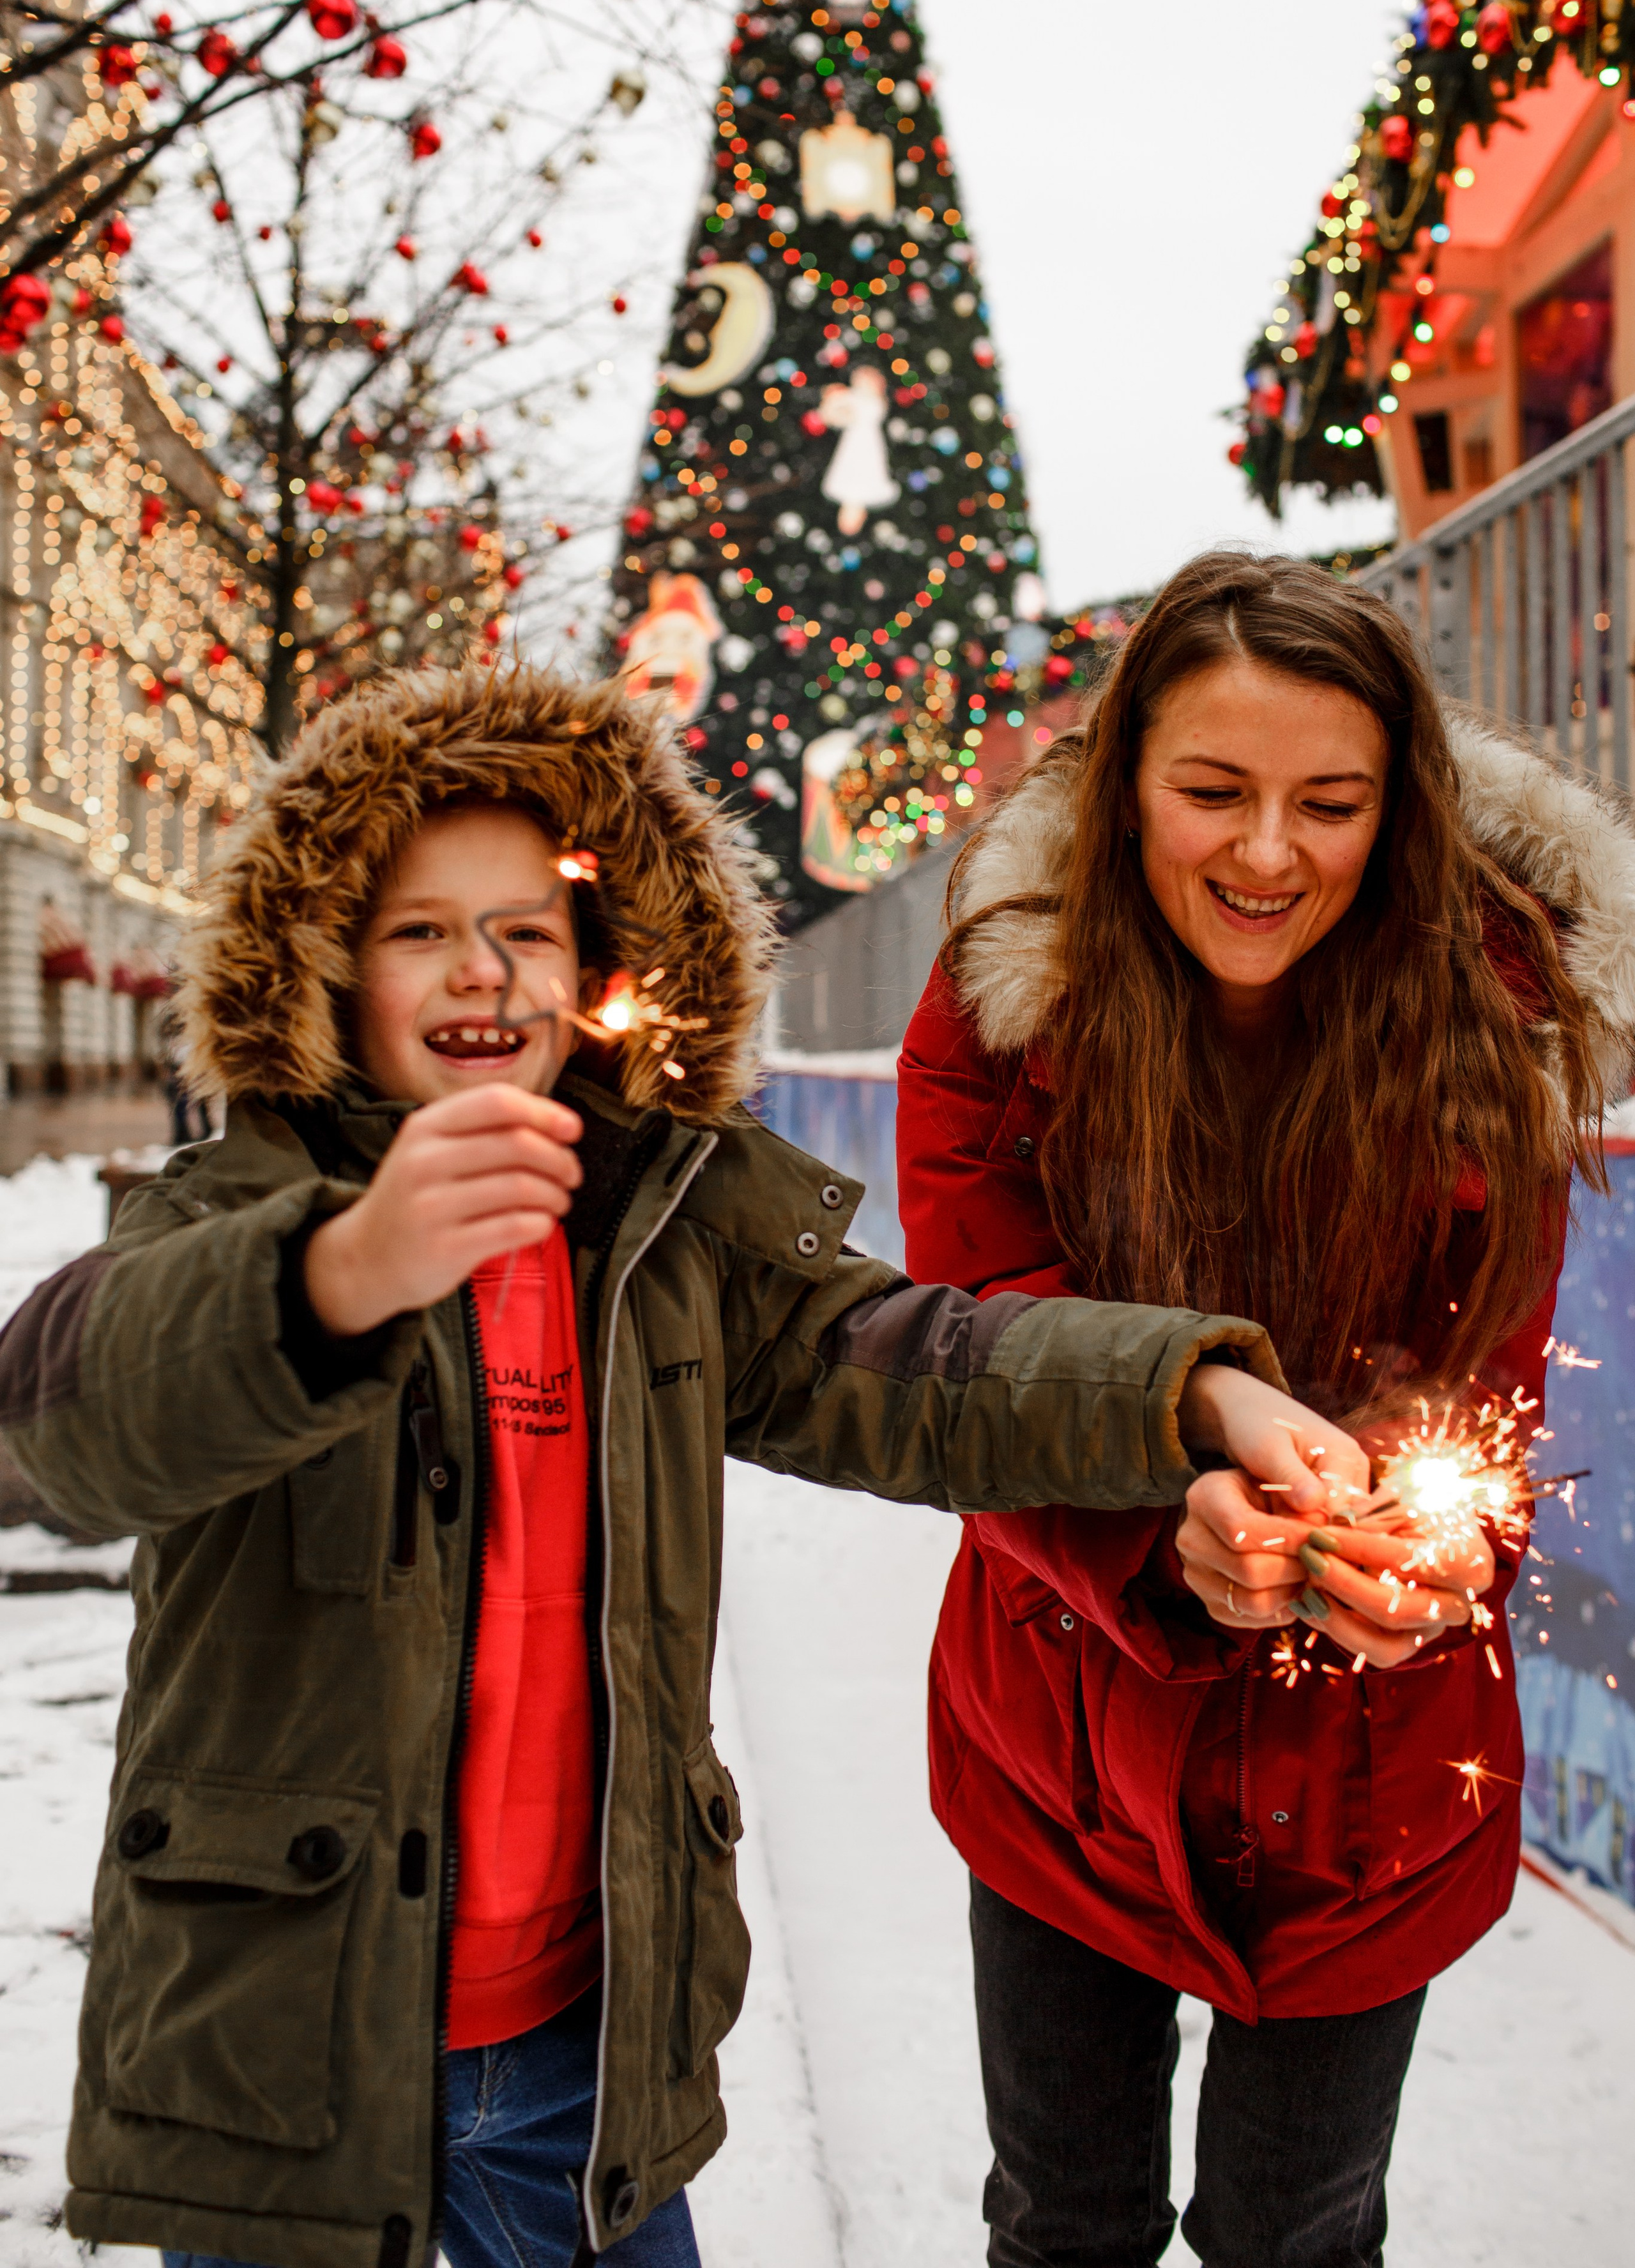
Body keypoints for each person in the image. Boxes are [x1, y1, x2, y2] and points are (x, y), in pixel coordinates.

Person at [0, 661, 1342, 2268]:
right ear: (334, 965)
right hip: (279, 2065)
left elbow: (925, 1370)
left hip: (580, 2068)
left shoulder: (664, 1235)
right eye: (420, 929)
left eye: (527, 930)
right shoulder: (235, 1214)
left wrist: (1196, 1394)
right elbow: (56, 1427)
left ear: (598, 970)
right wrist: (338, 1272)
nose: (477, 968)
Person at [896, 552, 1635, 2268]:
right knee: (1066, 2216)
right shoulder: (1002, 1014)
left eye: (1331, 803)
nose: (1265, 853)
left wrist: (1437, 1568)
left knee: (1297, 2228)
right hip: (1057, 1726)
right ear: (1125, 783)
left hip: (1373, 1774)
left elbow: (1489, 1412)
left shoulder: (1493, 1035)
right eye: (1212, 791)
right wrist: (1165, 1533)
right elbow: (970, 1371)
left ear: (1403, 817)